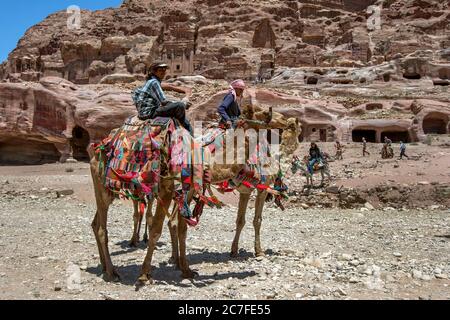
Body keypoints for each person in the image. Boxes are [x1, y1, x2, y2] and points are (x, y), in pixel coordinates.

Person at [132, 61, 193, 134]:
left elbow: (166, 90)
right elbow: (164, 101)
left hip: (145, 113)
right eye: (160, 70)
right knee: (179, 106)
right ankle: (187, 133)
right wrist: (183, 103)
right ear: (154, 72)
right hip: (149, 113)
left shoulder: (151, 81)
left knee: (175, 107)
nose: (163, 72)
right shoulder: (154, 82)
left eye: (164, 70)